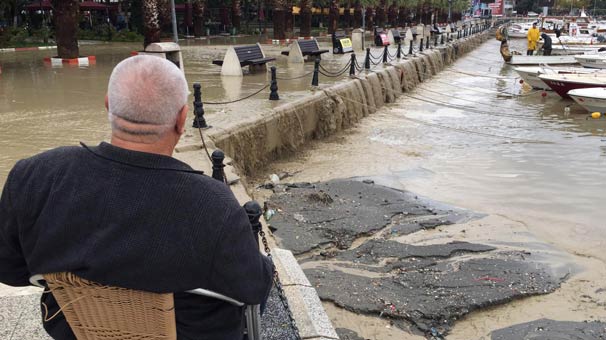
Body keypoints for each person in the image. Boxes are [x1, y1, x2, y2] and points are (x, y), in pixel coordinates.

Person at [0, 55, 274, 340]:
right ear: (182, 120)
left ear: (108, 105)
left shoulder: (34, 176)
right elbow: (252, 289)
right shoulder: (214, 206)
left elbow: (9, 270)